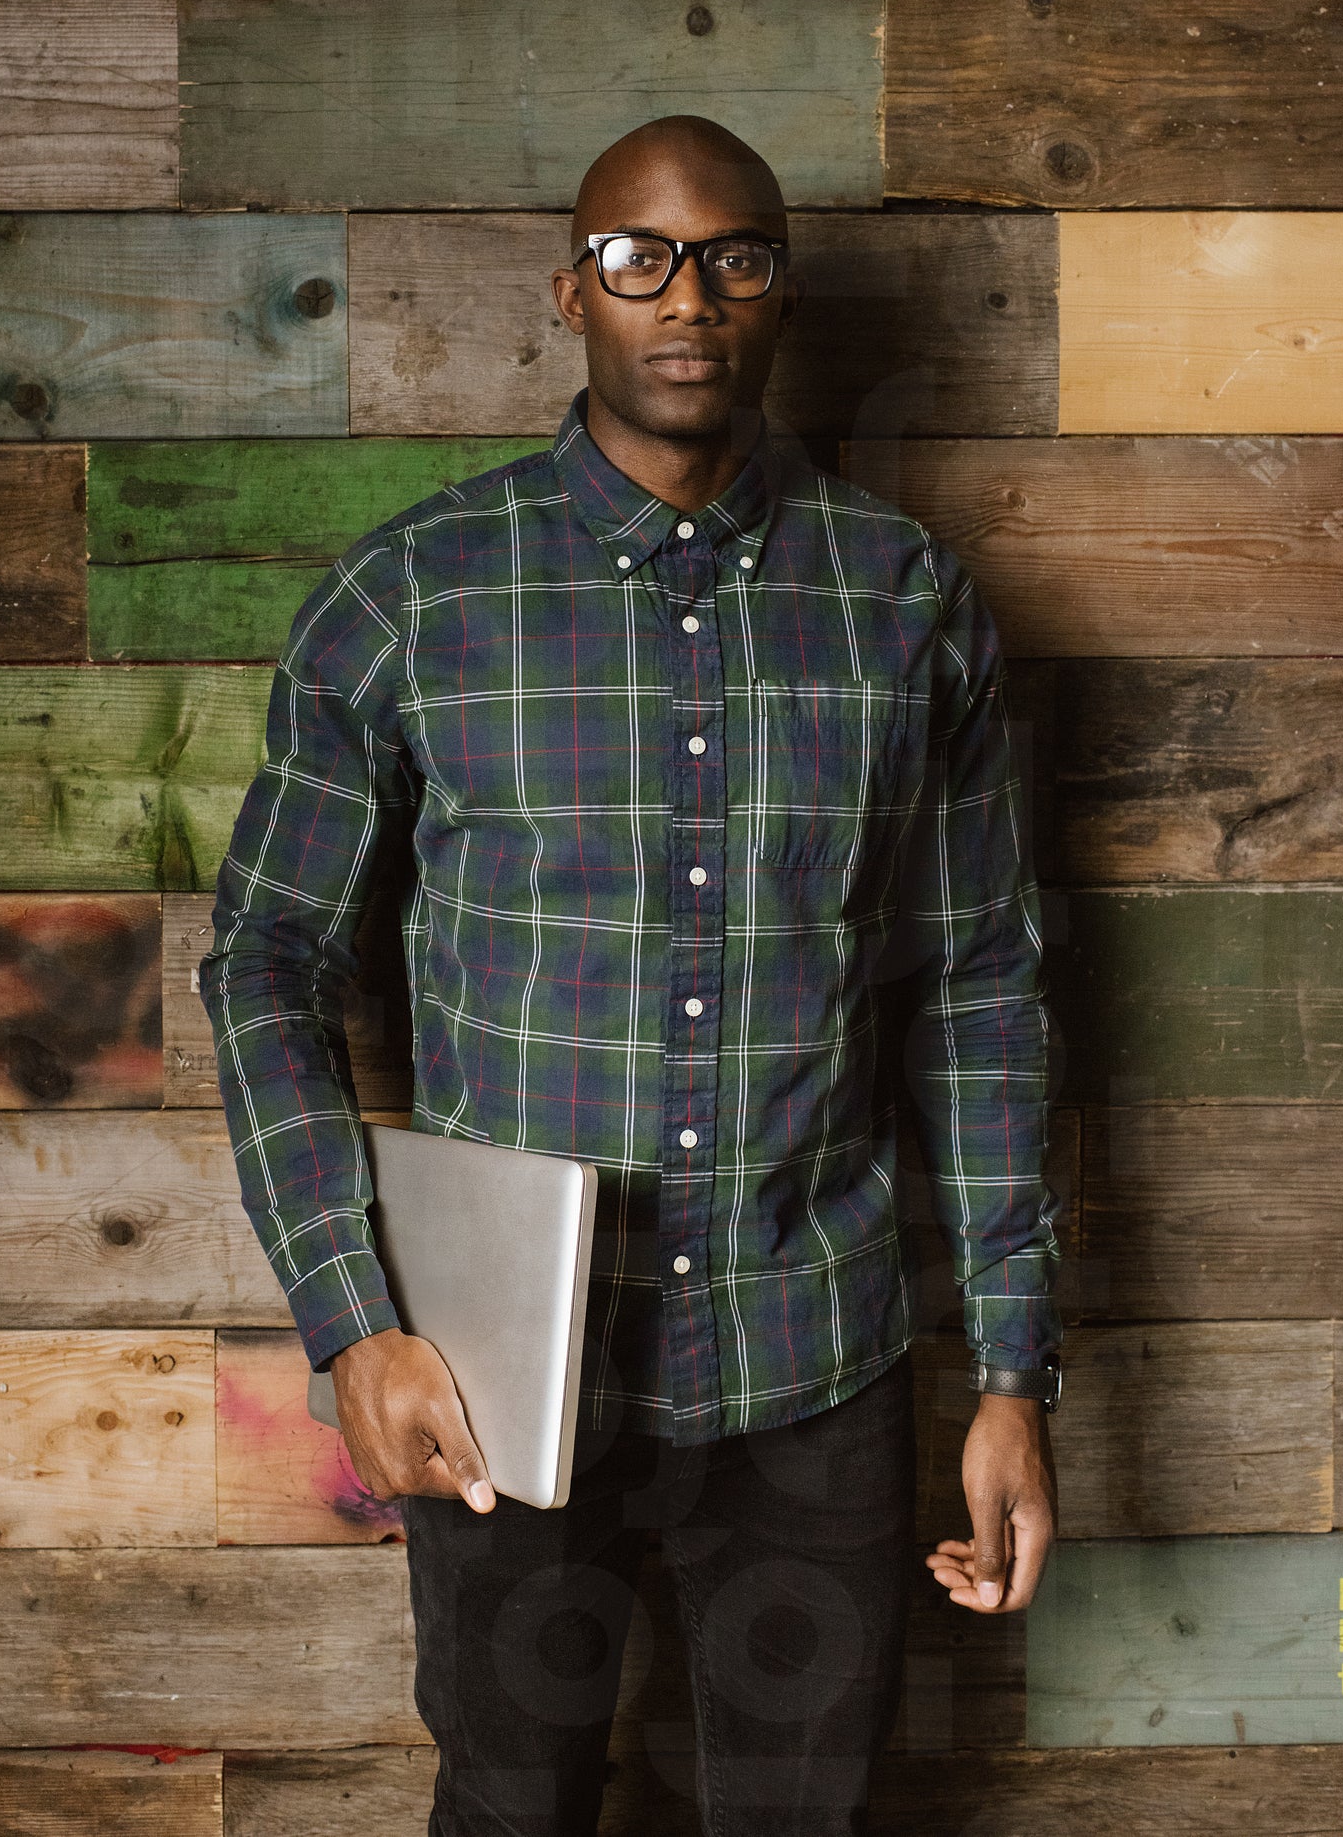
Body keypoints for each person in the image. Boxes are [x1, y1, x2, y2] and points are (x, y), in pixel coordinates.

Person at [199, 114, 1063, 1837]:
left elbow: (980, 991)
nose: (688, 296)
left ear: (780, 290)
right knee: (508, 1812)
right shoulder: (413, 595)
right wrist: (352, 1323)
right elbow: (268, 962)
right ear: (570, 291)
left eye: (735, 256)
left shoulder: (905, 603)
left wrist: (1014, 1372)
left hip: (813, 1364)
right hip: (498, 1382)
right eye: (637, 257)